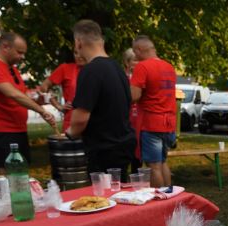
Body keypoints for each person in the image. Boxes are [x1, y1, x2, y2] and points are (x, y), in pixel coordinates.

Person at [66, 20, 135, 181]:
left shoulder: (90, 71)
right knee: (119, 191)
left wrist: (70, 133)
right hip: (123, 144)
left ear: (78, 42)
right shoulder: (116, 67)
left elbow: (80, 119)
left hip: (103, 149)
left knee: (104, 195)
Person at [0, 32, 56, 171]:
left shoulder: (13, 69)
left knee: (22, 170)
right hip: (2, 130)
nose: (22, 57)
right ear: (5, 47)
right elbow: (12, 94)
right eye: (19, 52)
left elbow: (21, 96)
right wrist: (41, 111)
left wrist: (38, 101)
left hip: (19, 128)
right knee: (10, 172)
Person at [129, 35, 176, 188]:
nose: (135, 55)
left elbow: (134, 96)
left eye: (134, 51)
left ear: (139, 49)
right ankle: (168, 196)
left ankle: (158, 198)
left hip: (151, 124)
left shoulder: (142, 67)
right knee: (163, 162)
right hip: (169, 123)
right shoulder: (169, 67)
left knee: (153, 167)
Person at [39, 50, 86, 132]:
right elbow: (44, 87)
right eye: (75, 53)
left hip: (95, 122)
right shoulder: (65, 68)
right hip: (71, 123)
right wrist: (58, 106)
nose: (78, 56)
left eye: (81, 52)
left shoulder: (97, 68)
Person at [123, 48, 142, 173]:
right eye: (135, 60)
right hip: (125, 122)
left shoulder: (141, 78)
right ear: (127, 62)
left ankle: (136, 179)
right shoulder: (122, 78)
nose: (138, 63)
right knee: (125, 157)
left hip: (139, 122)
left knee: (137, 159)